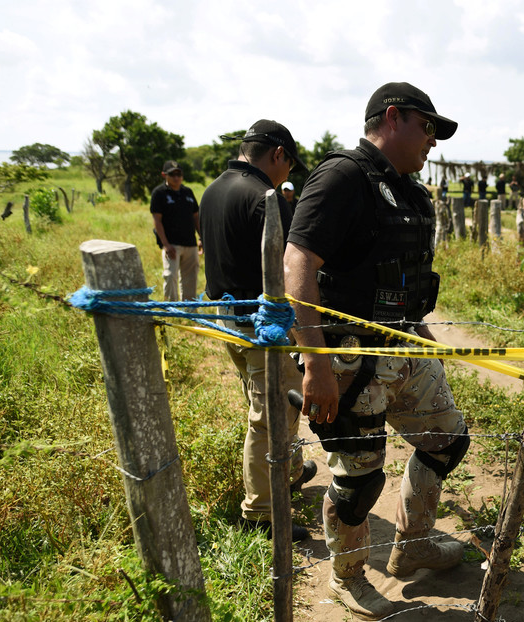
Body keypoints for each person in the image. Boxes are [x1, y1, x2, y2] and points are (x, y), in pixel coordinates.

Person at [284, 82, 466, 620]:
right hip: (345, 359)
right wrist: (314, 362)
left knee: (446, 441)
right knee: (359, 478)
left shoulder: (410, 191)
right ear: (392, 117)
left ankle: (412, 544)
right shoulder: (342, 176)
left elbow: (405, 278)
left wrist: (422, 337)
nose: (433, 142)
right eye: (427, 127)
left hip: (404, 349)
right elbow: (298, 264)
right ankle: (347, 578)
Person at [200, 120, 316, 542]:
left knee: (268, 404)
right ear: (278, 154)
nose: (288, 175)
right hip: (261, 327)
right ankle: (264, 513)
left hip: (227, 317)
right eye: (290, 164)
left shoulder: (213, 190)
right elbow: (289, 269)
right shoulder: (266, 198)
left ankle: (291, 472)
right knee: (270, 417)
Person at [150, 161, 201, 301]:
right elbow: (157, 221)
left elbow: (196, 217)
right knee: (170, 275)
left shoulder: (188, 192)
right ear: (164, 175)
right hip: (171, 244)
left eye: (179, 174)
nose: (176, 177)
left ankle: (190, 308)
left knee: (191, 276)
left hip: (190, 243)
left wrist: (201, 237)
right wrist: (165, 244)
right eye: (172, 174)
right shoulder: (159, 193)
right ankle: (171, 308)